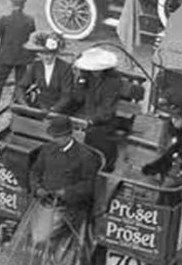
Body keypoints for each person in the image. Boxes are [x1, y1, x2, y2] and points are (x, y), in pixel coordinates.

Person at [52, 45, 133, 173]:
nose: (93, 72)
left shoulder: (113, 81)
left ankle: (102, 166)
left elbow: (107, 108)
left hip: (104, 119)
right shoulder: (87, 76)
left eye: (96, 69)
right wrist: (81, 81)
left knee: (96, 135)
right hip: (86, 114)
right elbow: (78, 98)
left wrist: (92, 120)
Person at [0, 0, 36, 112]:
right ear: (23, 6)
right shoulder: (30, 20)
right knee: (20, 82)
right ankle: (15, 105)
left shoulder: (5, 20)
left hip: (6, 57)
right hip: (23, 57)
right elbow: (33, 38)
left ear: (12, 5)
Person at [21, 33, 74, 108]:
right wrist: (24, 103)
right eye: (43, 54)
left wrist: (54, 109)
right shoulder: (36, 66)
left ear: (55, 53)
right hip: (40, 105)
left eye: (49, 54)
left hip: (59, 108)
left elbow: (66, 95)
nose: (46, 57)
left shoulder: (65, 68)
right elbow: (22, 85)